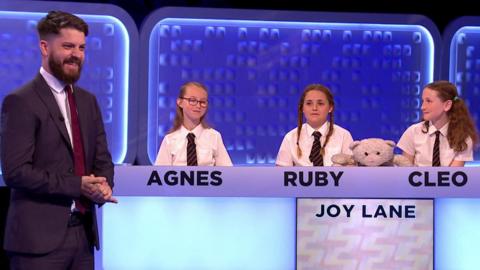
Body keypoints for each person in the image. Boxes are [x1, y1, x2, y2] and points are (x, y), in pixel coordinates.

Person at [1, 11, 116, 270]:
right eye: (67, 46)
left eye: (81, 48)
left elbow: (102, 159)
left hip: (84, 238)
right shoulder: (21, 102)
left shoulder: (88, 102)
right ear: (44, 47)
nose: (76, 54)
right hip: (37, 245)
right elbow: (16, 172)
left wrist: (104, 185)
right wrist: (77, 186)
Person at [397, 81, 479, 166]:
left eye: (428, 101)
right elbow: (405, 171)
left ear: (447, 105)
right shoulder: (413, 132)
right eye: (423, 101)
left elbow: (453, 176)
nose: (422, 107)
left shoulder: (463, 137)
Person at [154, 81, 233, 166]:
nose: (198, 106)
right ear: (180, 102)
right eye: (192, 100)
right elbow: (159, 175)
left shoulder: (214, 137)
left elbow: (228, 173)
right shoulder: (169, 140)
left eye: (202, 102)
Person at [276, 84, 354, 166]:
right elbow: (281, 174)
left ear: (330, 107)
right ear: (302, 108)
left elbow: (353, 172)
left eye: (320, 103)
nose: (314, 108)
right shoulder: (290, 137)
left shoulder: (344, 135)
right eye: (309, 103)